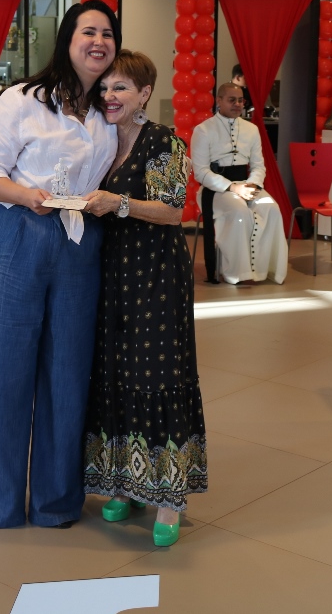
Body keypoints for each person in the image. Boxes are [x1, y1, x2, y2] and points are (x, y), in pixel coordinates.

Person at [0, 0, 121, 532]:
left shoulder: (108, 111)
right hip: (15, 234)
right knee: (0, 370)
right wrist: (26, 195)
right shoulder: (23, 99)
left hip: (78, 243)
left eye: (107, 34)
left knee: (67, 373)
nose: (98, 41)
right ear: (67, 39)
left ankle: (56, 501)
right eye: (88, 31)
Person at [80, 50, 207, 548]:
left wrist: (118, 203)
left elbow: (174, 211)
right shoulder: (100, 138)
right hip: (111, 275)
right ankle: (125, 484)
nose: (109, 96)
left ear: (145, 93)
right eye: (104, 87)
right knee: (115, 375)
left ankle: (169, 498)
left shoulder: (163, 141)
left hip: (156, 275)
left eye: (121, 88)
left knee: (157, 375)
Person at [191, 83, 288, 285]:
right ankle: (237, 272)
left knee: (272, 208)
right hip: (215, 189)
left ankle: (265, 270)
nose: (237, 104)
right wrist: (233, 188)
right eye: (232, 100)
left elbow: (259, 166)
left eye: (240, 100)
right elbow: (201, 172)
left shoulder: (252, 129)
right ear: (219, 101)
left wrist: (252, 186)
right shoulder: (203, 130)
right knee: (239, 211)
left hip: (247, 185)